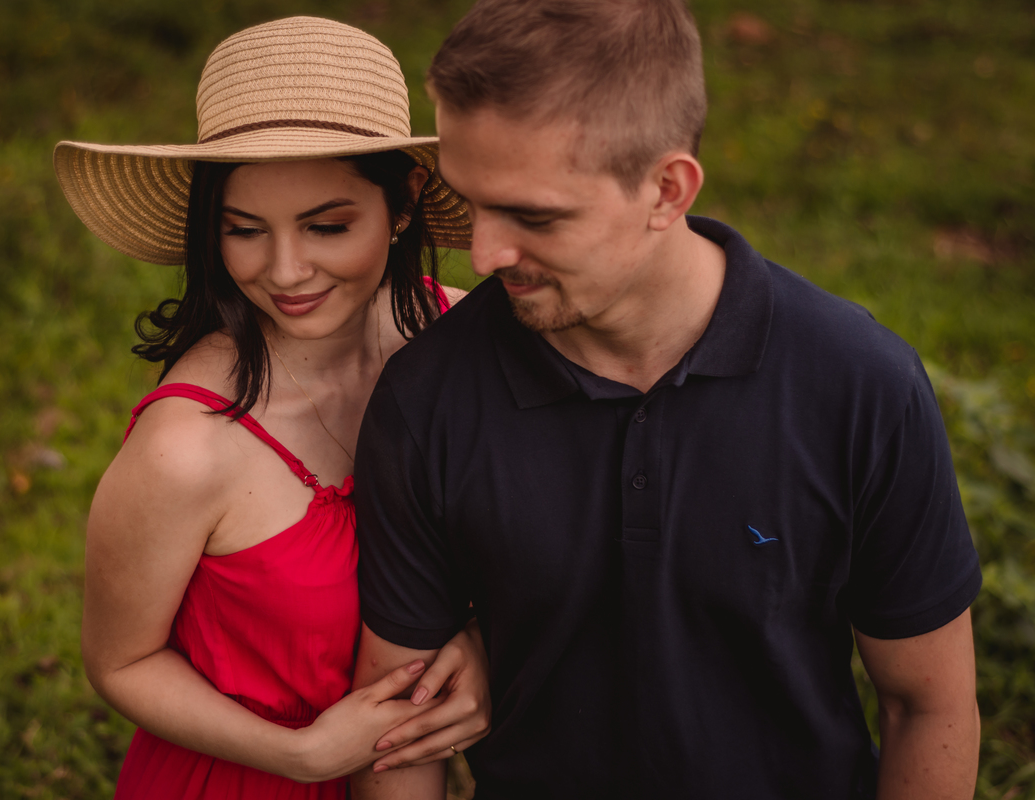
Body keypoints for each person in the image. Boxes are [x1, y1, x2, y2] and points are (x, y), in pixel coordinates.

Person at [351, 1, 982, 798]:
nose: (482, 253)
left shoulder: (858, 383)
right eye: (470, 200)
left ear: (667, 188)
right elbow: (405, 738)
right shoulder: (427, 399)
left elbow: (928, 705)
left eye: (534, 215)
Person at [52, 17, 491, 800]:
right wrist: (302, 756)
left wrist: (481, 643)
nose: (287, 271)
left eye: (328, 225)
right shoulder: (186, 449)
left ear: (404, 201)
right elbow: (119, 662)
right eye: (244, 230)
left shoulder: (465, 347)